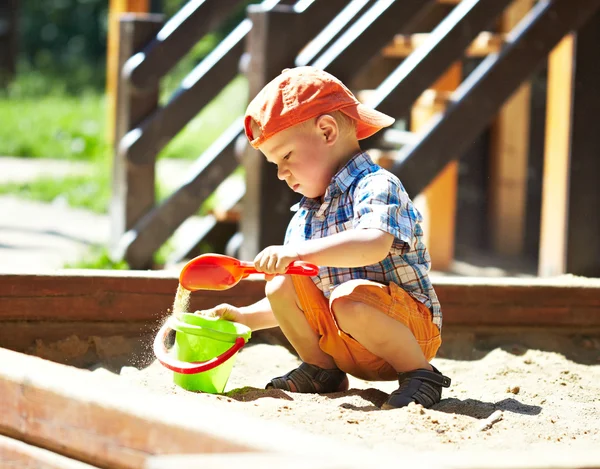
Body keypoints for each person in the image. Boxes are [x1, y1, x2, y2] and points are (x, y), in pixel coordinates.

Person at [197, 66, 450, 409]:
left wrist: (299, 252)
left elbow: (373, 244)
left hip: (408, 335)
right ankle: (322, 370)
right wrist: (244, 318)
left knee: (347, 297)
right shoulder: (306, 215)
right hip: (345, 343)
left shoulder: (376, 185)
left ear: (327, 131)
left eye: (286, 155)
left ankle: (421, 375)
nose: (281, 172)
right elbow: (300, 301)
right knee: (280, 284)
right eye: (274, 163)